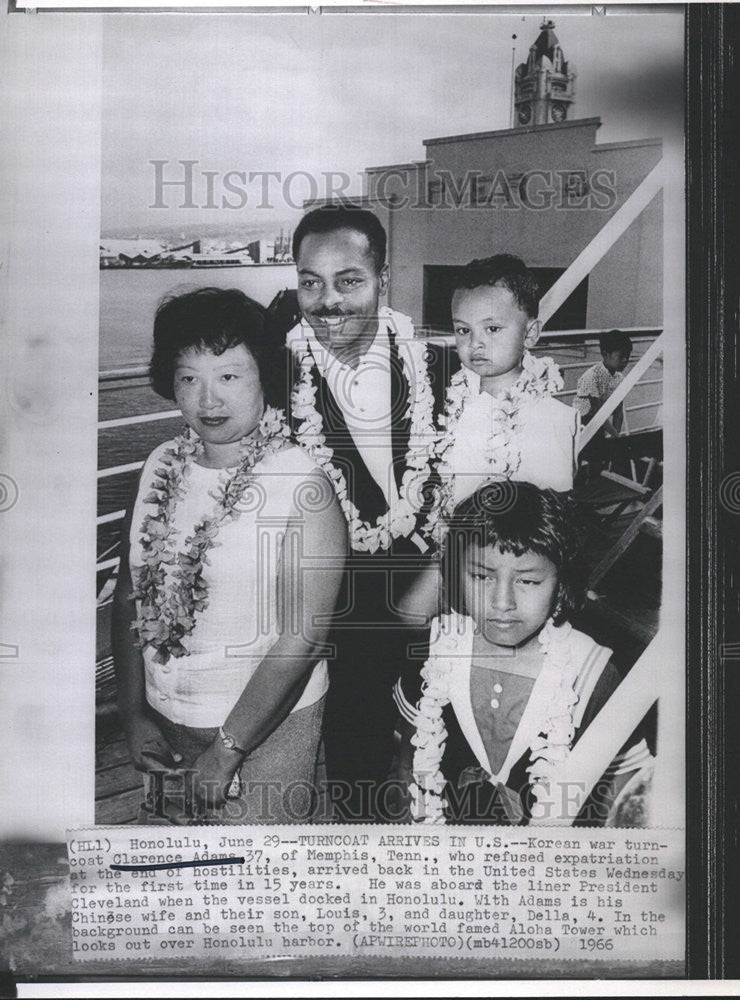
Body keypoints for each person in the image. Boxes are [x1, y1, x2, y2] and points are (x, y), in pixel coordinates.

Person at [112, 287, 346, 824]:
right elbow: (129, 594)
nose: (208, 401)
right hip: (165, 722)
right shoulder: (158, 464)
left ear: (265, 376)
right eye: (189, 378)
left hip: (265, 733)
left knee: (262, 881)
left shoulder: (301, 487)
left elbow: (303, 638)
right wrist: (133, 714)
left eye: (229, 376)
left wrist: (229, 749)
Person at [286, 204, 445, 820]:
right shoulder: (276, 372)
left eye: (349, 280)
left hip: (438, 591)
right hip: (337, 613)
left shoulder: (440, 366)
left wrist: (442, 574)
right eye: (310, 281)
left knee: (446, 754)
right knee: (354, 765)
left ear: (385, 277)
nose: (327, 302)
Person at [395, 482, 654, 825]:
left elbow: (627, 798)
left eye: (528, 581)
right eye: (481, 576)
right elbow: (405, 766)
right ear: (456, 574)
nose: (502, 603)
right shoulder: (434, 654)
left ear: (561, 583)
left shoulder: (591, 676)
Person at [572, 328, 632, 436]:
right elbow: (597, 412)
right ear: (605, 354)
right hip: (581, 422)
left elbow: (618, 412)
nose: (625, 360)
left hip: (599, 423)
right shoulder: (591, 376)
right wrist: (615, 435)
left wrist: (615, 437)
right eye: (621, 356)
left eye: (627, 356)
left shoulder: (619, 378)